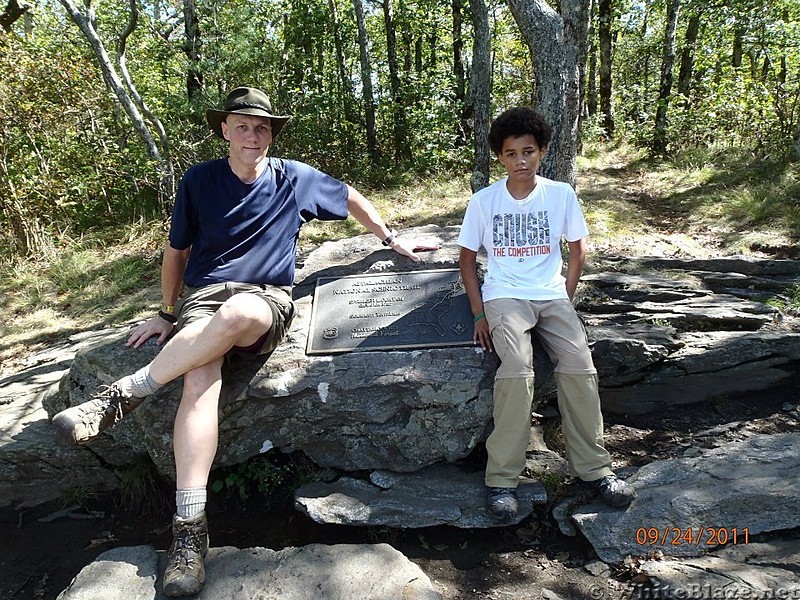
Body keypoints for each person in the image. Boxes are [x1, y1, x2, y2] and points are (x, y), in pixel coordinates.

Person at [52, 87, 437, 597]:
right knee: (198, 381)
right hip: (203, 300)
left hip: (263, 303)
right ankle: (189, 535)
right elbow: (176, 253)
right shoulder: (199, 181)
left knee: (239, 312)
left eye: (262, 127)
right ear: (224, 130)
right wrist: (167, 314)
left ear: (271, 134)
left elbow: (349, 198)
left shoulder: (293, 178)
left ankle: (127, 393)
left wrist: (391, 239)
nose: (252, 135)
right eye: (242, 126)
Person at [457, 106, 635, 523]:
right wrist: (479, 315)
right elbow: (466, 260)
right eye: (511, 153)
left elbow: (577, 250)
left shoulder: (560, 195)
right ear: (499, 157)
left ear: (542, 152)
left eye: (528, 151)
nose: (521, 160)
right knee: (517, 368)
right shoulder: (484, 202)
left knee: (579, 364)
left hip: (552, 296)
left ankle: (594, 471)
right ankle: (502, 480)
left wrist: (565, 298)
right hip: (504, 297)